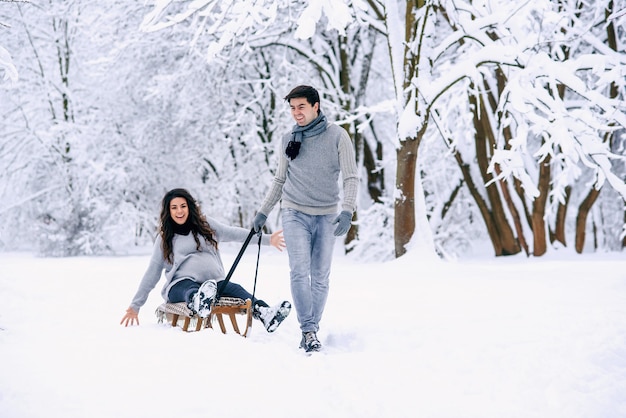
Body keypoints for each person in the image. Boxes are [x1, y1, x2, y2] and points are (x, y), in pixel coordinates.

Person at [252, 85, 358, 352]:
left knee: (320, 275)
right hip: (294, 211)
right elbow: (280, 179)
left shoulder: (338, 136)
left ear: (315, 106)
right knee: (300, 271)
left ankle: (313, 327)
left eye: (301, 107)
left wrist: (347, 209)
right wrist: (263, 211)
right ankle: (308, 330)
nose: (296, 112)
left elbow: (350, 176)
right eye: (292, 107)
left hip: (326, 214)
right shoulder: (289, 138)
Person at [120, 188, 291, 333]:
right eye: (174, 208)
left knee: (236, 289)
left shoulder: (205, 225)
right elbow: (152, 272)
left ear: (189, 207)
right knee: (190, 288)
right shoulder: (165, 238)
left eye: (183, 206)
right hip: (180, 286)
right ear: (168, 211)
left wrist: (267, 239)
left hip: (214, 284)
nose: (179, 211)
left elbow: (234, 233)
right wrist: (135, 306)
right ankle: (198, 301)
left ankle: (264, 313)